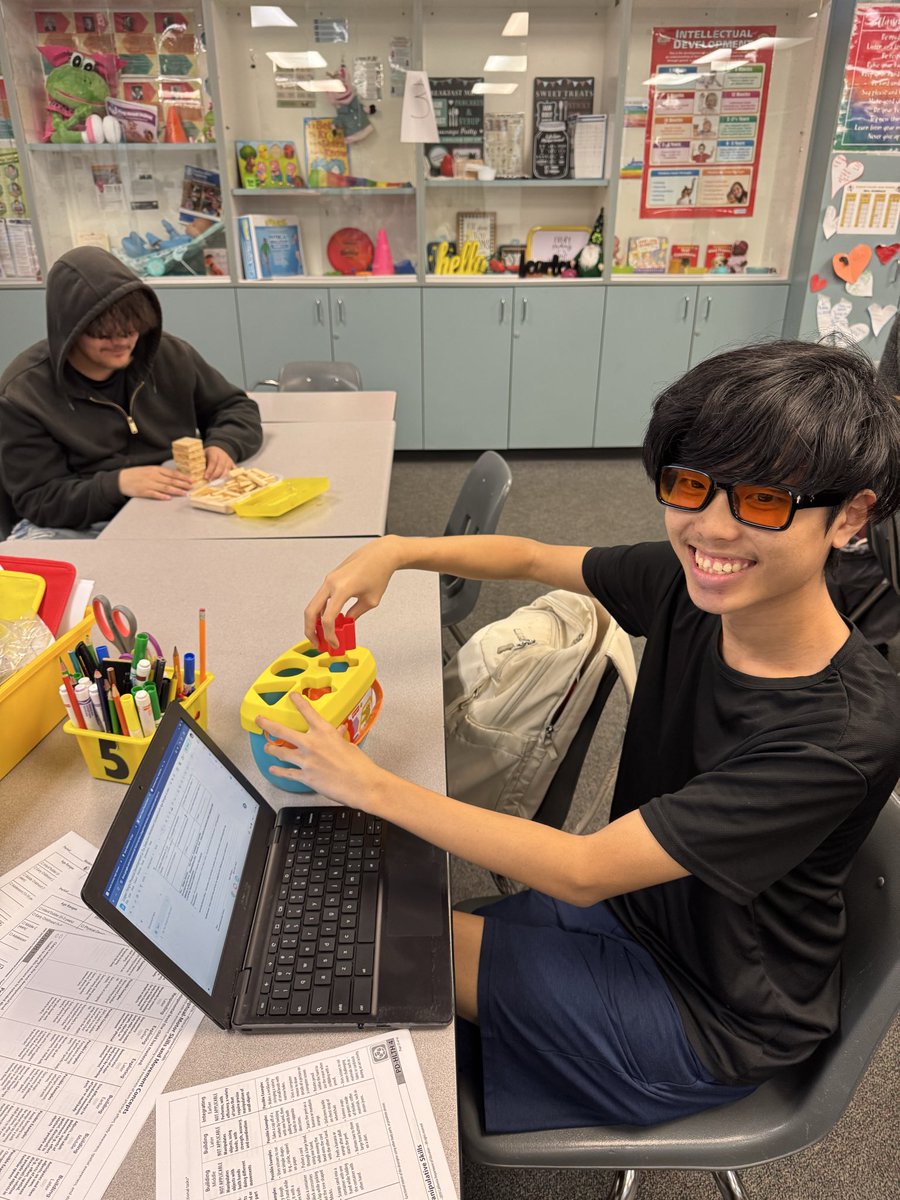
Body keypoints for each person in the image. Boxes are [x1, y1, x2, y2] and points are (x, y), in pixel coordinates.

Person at [258, 341, 900, 1134]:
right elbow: (530, 556)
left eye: (763, 501)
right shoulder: (692, 588)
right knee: (362, 925)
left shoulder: (838, 734)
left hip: (708, 1017)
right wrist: (400, 550)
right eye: (691, 485)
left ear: (850, 518)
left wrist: (365, 781)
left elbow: (587, 869)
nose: (711, 529)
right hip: (642, 917)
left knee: (364, 942)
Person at [0, 246, 262, 537]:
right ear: (70, 330)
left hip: (174, 505)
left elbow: (235, 407)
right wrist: (118, 484)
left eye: (130, 329)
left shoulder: (168, 354)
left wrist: (224, 444)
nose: (121, 342)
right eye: (103, 333)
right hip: (82, 523)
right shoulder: (24, 394)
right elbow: (38, 500)